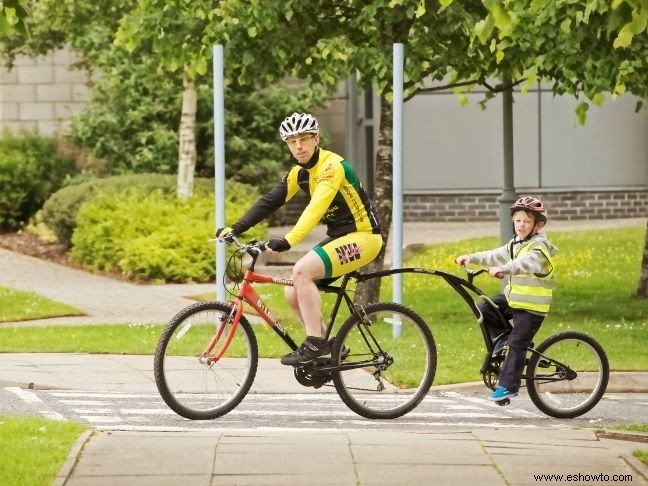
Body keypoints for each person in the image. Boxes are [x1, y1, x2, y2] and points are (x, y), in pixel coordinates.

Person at [216, 112, 383, 365]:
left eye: (303, 139)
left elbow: (316, 207)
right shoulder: (299, 173)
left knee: (301, 271)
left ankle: (315, 343)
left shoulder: (331, 166)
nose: (298, 146)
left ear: (316, 139)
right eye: (292, 142)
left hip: (364, 237)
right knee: (292, 291)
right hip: (340, 237)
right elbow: (270, 201)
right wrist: (236, 229)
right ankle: (329, 347)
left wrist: (288, 240)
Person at [455, 195, 558, 403]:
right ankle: (503, 339)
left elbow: (525, 264)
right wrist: (471, 257)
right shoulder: (516, 243)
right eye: (518, 220)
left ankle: (508, 387)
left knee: (517, 343)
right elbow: (494, 255)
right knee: (484, 307)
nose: (521, 225)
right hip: (514, 300)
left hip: (531, 308)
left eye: (527, 221)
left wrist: (504, 269)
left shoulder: (539, 248)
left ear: (538, 225)